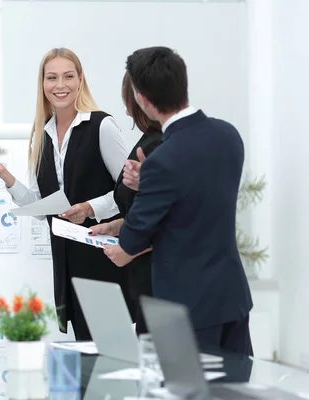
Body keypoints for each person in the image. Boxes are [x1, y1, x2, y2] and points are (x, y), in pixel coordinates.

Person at [0, 47, 131, 341]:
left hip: (105, 258)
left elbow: (130, 188)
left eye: (68, 76)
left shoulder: (100, 126)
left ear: (80, 80)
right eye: (51, 77)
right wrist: (4, 174)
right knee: (86, 352)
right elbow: (40, 205)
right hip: (67, 260)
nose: (60, 85)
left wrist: (90, 208)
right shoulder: (43, 134)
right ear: (42, 84)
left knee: (109, 353)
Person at [103, 46, 253, 355]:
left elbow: (131, 241)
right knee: (236, 390)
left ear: (143, 100)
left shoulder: (162, 161)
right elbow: (199, 198)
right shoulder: (228, 135)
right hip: (231, 296)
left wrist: (148, 186)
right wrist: (154, 182)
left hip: (188, 308)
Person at [89, 72, 162, 335]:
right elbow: (141, 209)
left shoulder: (157, 147)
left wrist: (128, 250)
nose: (127, 113)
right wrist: (115, 226)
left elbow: (169, 221)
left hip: (160, 281)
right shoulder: (148, 140)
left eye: (128, 103)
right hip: (145, 280)